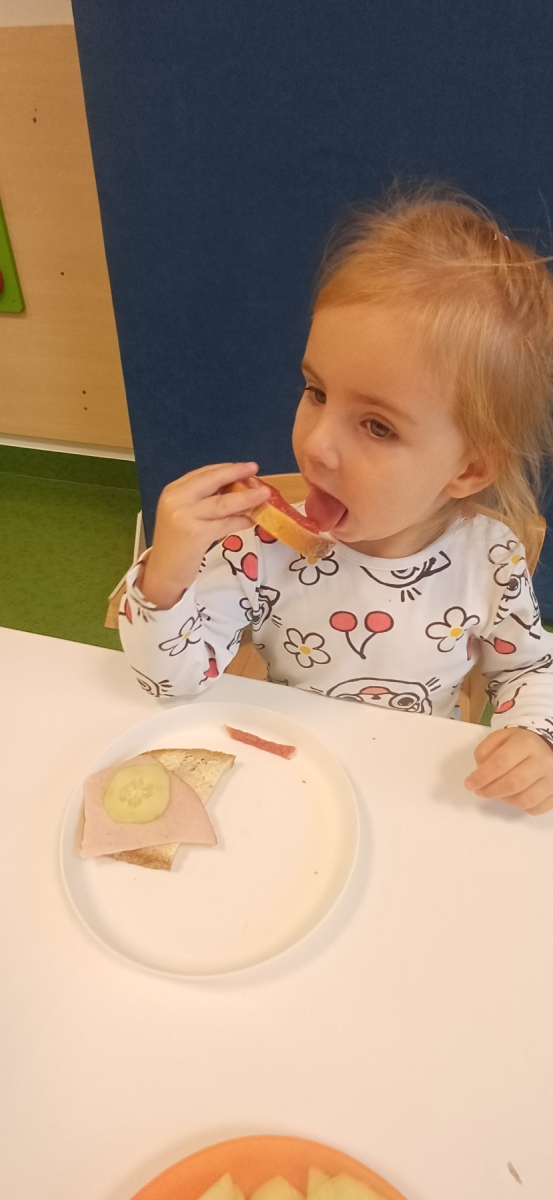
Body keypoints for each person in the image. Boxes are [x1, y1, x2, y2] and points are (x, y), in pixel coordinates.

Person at [119, 182, 553, 816]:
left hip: (415, 786)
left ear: (470, 468)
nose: (317, 445)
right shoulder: (259, 548)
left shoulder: (490, 560)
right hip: (296, 782)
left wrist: (535, 740)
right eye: (317, 392)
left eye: (377, 426)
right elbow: (170, 683)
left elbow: (527, 671)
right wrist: (165, 578)